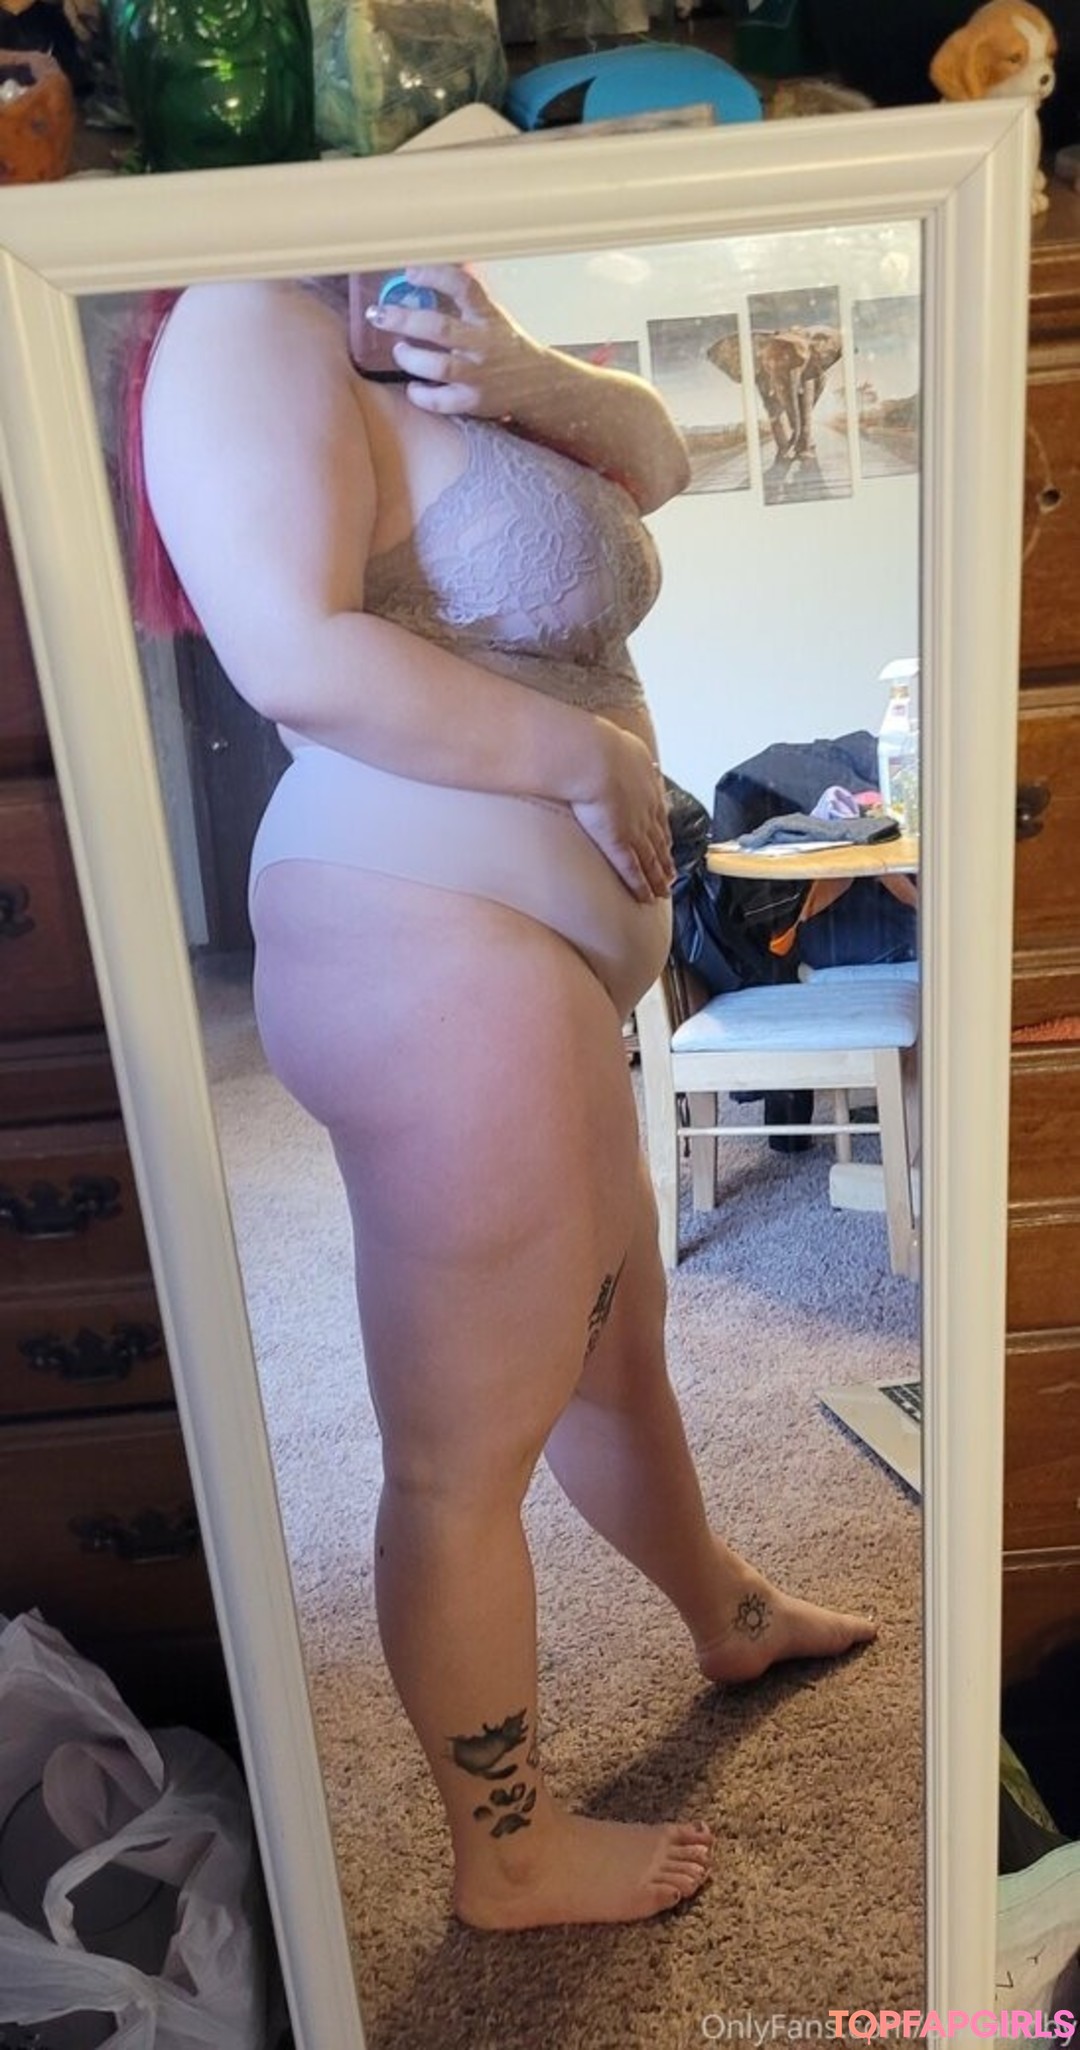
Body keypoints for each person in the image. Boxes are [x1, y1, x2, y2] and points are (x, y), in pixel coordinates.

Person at [131, 264, 876, 1933]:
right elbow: (291, 650)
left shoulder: (412, 309)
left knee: (617, 1346)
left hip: (520, 963)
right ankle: (506, 1852)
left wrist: (525, 365)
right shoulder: (245, 316)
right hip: (426, 946)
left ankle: (726, 1611)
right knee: (462, 1452)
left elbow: (657, 465)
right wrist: (584, 760)